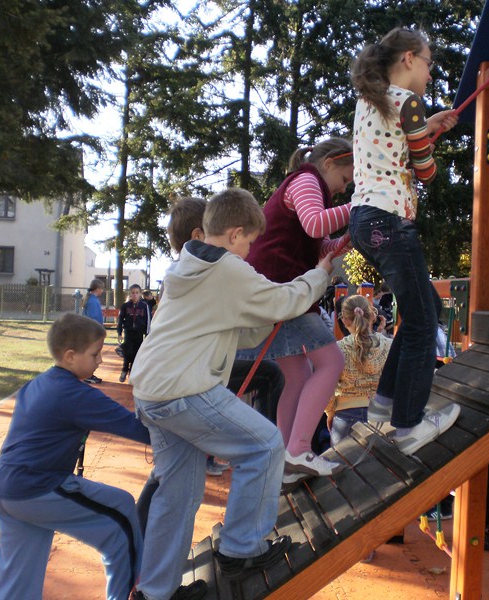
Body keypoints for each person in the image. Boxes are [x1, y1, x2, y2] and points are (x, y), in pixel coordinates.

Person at [129, 188, 334, 600]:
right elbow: (285, 299)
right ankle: (241, 548)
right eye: (250, 242)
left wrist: (268, 315)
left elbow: (237, 328)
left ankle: (155, 592)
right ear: (235, 233)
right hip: (183, 389)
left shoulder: (188, 266)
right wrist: (321, 273)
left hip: (151, 391)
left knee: (177, 495)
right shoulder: (226, 268)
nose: (251, 251)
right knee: (265, 446)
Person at [348, 27, 461, 455]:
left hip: (365, 219)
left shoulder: (371, 101)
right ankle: (409, 425)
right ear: (409, 58)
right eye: (429, 63)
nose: (430, 74)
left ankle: (384, 402)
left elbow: (392, 144)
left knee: (424, 306)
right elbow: (425, 170)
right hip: (390, 219)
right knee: (421, 322)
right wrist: (428, 137)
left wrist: (427, 128)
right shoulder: (409, 102)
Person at [0, 313, 150, 600]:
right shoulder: (74, 394)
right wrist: (193, 433)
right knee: (122, 513)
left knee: (17, 583)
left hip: (4, 490)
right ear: (71, 356)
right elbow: (136, 428)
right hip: (38, 488)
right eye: (95, 354)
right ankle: (135, 593)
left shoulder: (38, 383)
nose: (100, 360)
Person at [242, 137, 354, 479]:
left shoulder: (311, 188)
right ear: (329, 163)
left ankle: (286, 457)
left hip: (277, 289)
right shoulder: (306, 180)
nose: (344, 189)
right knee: (331, 362)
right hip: (282, 289)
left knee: (299, 374)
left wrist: (344, 241)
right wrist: (362, 207)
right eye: (345, 179)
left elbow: (318, 242)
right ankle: (299, 449)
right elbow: (315, 224)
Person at [325, 295, 393, 447]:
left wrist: (330, 412)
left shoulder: (337, 349)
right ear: (373, 316)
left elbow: (326, 388)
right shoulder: (390, 346)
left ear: (344, 321)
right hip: (382, 416)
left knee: (342, 461)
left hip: (345, 416)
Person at [117, 284, 150, 383]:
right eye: (133, 293)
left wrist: (147, 334)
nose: (135, 295)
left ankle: (132, 372)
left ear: (140, 294)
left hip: (139, 334)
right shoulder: (125, 306)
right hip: (128, 333)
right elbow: (120, 320)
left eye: (137, 293)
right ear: (130, 294)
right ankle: (124, 370)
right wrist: (119, 333)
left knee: (136, 354)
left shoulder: (144, 306)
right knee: (128, 352)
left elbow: (148, 321)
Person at [82, 278, 106, 384]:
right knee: (92, 353)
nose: (102, 291)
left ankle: (89, 374)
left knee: (92, 353)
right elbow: (94, 318)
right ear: (98, 288)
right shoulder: (93, 301)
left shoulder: (92, 299)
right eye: (102, 289)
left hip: (90, 330)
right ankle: (88, 375)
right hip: (92, 332)